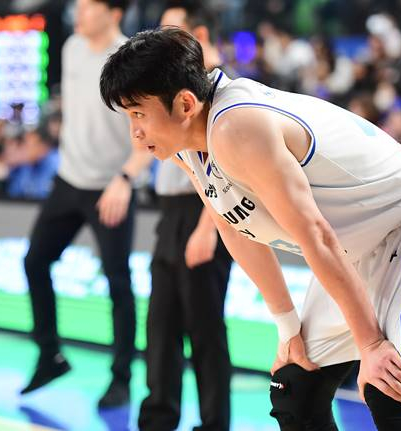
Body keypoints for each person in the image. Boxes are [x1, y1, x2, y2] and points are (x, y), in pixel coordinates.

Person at [100, 27, 401, 430]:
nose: (135, 132)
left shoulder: (235, 126)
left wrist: (370, 343)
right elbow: (233, 226)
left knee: (390, 391)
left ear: (184, 103)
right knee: (295, 389)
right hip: (361, 242)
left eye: (139, 114)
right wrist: (288, 330)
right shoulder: (190, 143)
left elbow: (315, 233)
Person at [21, 0, 151, 408]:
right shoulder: (72, 47)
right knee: (35, 261)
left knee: (118, 281)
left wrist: (125, 179)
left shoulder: (131, 58)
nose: (79, 13)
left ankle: (121, 378)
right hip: (68, 179)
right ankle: (50, 355)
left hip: (110, 186)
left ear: (115, 13)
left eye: (89, 6)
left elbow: (148, 132)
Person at [138, 2, 233, 430]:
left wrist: (208, 228)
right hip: (170, 212)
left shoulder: (222, 90)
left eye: (170, 31)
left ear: (198, 35)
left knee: (206, 329)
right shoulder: (165, 85)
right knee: (161, 323)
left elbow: (228, 173)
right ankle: (159, 417)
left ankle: (215, 423)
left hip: (208, 209)